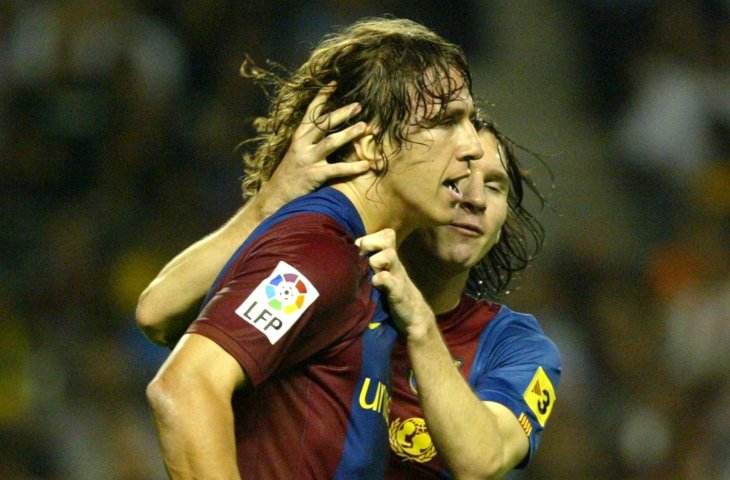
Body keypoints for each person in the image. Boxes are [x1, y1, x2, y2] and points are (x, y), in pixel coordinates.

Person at [139, 90, 561, 478]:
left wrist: (421, 328)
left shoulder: (515, 346)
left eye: (495, 185)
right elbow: (158, 315)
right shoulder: (326, 273)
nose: (474, 199)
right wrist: (268, 205)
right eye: (457, 180)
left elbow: (481, 460)